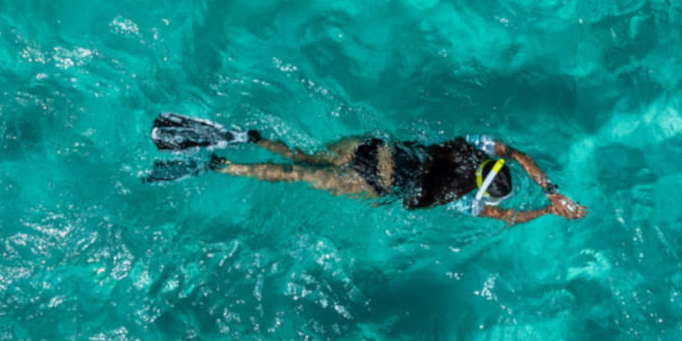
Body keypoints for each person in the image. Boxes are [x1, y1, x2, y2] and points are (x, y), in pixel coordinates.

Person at [149, 113, 589, 225]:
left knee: (303, 157)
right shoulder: (461, 202)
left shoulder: (473, 146)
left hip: (376, 150)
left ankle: (256, 138)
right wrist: (548, 211)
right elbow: (507, 216)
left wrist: (550, 188)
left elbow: (517, 154)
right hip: (374, 182)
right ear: (484, 191)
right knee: (294, 176)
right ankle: (219, 164)